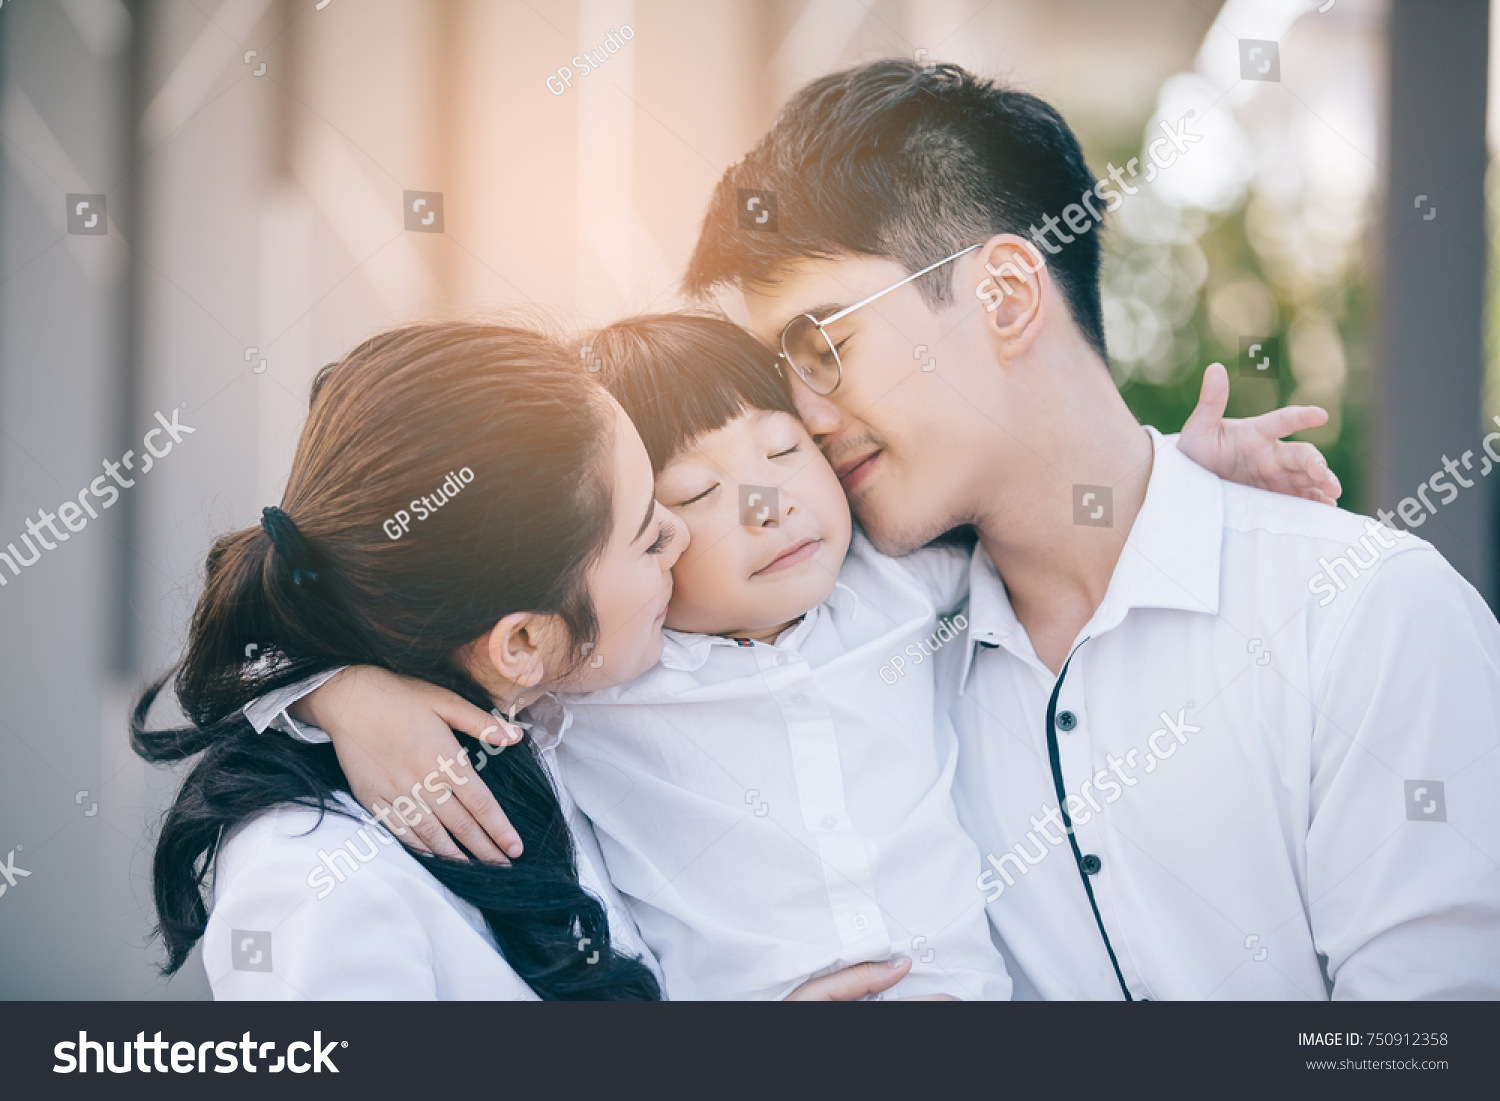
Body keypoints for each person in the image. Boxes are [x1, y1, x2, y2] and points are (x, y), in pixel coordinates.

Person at [681, 59, 1500, 999]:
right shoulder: (868, 656)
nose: (806, 419)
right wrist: (476, 711)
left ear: (1006, 296)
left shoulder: (1363, 615)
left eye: (825, 347)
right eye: (781, 374)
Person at [250, 316, 1347, 1000]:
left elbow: (1050, 507)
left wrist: (1177, 477)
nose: (768, 499)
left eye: (782, 451)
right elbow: (411, 627)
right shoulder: (604, 684)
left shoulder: (904, 583)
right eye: (684, 501)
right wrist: (339, 693)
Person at [131, 322, 677, 999]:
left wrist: (330, 690)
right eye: (649, 536)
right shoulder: (320, 889)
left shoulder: (530, 705)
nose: (681, 535)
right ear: (523, 644)